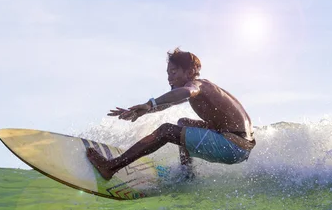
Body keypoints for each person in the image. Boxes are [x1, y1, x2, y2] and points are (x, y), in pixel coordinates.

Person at [87, 48, 255, 180]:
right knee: (182, 122)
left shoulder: (197, 85)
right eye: (168, 74)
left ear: (189, 72)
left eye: (173, 73)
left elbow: (186, 92)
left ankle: (110, 167)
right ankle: (187, 174)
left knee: (166, 131)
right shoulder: (203, 88)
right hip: (237, 143)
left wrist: (150, 103)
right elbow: (170, 102)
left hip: (233, 144)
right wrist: (143, 111)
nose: (169, 79)